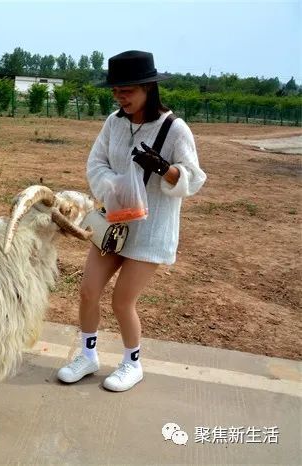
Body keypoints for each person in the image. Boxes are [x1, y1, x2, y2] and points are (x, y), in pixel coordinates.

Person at [57, 51, 207, 391]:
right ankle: (88, 355)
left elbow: (194, 179)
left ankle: (131, 363)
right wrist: (115, 187)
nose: (120, 97)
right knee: (87, 291)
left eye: (127, 90)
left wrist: (166, 170)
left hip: (150, 231)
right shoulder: (114, 122)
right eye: (116, 91)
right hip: (113, 224)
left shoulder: (174, 129)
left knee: (122, 300)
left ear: (148, 88)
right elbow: (95, 163)